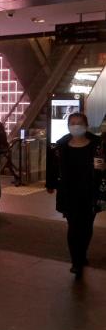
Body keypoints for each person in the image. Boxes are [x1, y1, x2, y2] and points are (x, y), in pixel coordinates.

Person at [46, 113, 102, 278]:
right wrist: (50, 184)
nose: (76, 126)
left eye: (79, 123)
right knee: (73, 227)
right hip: (69, 193)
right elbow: (54, 167)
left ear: (86, 125)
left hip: (90, 192)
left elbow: (100, 168)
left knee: (86, 226)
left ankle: (82, 253)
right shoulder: (61, 146)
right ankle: (76, 261)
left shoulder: (97, 145)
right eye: (72, 123)